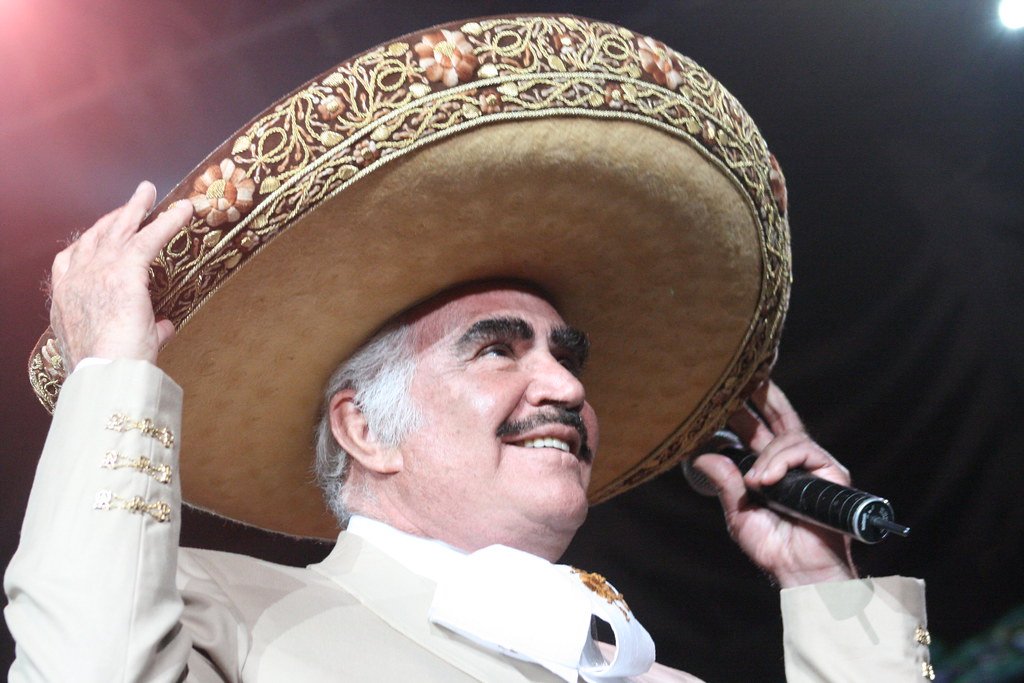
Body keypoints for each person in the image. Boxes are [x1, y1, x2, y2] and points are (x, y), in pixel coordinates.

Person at [6, 15, 932, 682]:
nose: (564, 384)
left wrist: (824, 588)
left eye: (568, 355)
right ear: (364, 427)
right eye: (496, 349)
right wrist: (112, 375)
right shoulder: (228, 614)